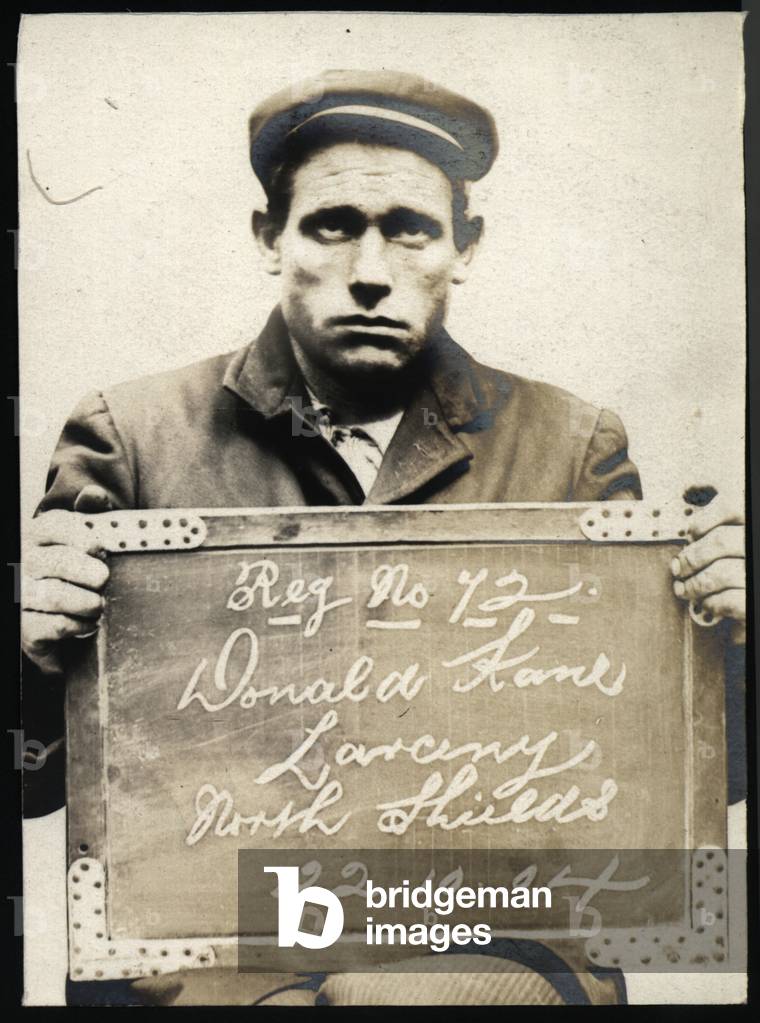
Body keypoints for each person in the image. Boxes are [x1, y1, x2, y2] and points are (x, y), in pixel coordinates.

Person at [20, 70, 746, 1006]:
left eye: (409, 227)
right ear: (267, 237)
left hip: (490, 936)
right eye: (332, 224)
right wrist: (32, 660)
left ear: (465, 247)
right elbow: (33, 791)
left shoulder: (571, 446)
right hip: (208, 950)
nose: (371, 269)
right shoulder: (132, 433)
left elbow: (653, 797)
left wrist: (732, 641)